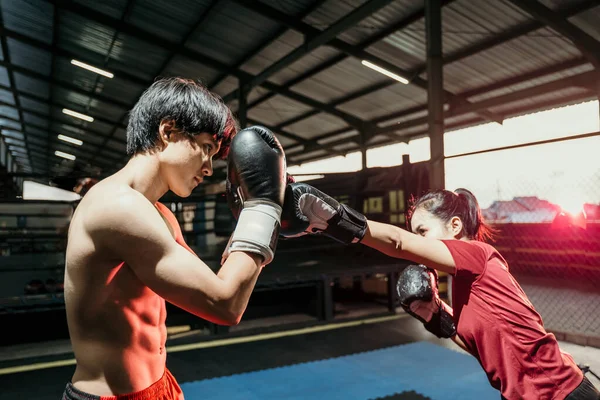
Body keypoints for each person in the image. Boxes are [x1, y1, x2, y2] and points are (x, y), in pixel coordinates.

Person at [62, 77, 287, 400]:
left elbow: (217, 283)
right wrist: (263, 208)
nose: (209, 168)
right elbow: (224, 304)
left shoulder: (159, 214)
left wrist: (263, 214)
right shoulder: (116, 206)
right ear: (168, 131)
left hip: (159, 384)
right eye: (207, 148)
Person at [280, 183, 600, 400]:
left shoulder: (478, 255)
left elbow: (398, 243)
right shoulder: (461, 283)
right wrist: (435, 315)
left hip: (560, 393)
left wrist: (335, 219)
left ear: (455, 227)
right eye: (416, 233)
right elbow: (483, 348)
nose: (418, 240)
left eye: (423, 232)